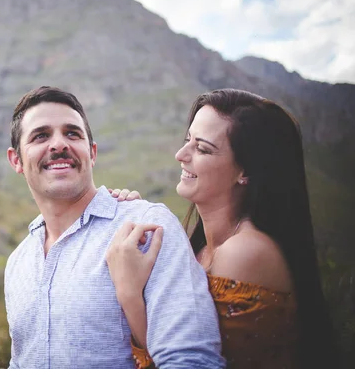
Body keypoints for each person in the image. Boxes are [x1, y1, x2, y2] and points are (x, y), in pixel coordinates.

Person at [107, 89, 338, 368]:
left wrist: (131, 295)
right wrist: (127, 212)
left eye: (202, 148)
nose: (181, 154)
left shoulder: (245, 252)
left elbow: (194, 362)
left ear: (245, 172)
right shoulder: (201, 248)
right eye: (187, 140)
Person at [4, 86, 226, 368]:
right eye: (41, 136)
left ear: (92, 152)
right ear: (16, 160)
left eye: (72, 133)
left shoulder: (146, 228)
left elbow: (192, 359)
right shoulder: (18, 263)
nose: (59, 144)